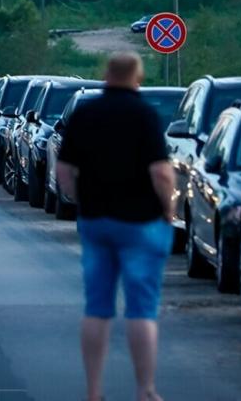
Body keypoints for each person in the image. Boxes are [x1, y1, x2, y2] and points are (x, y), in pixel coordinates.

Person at [56, 52, 174, 401]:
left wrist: (82, 199)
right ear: (138, 78)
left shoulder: (85, 113)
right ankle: (145, 390)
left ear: (106, 75)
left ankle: (94, 392)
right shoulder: (145, 115)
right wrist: (168, 209)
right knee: (141, 308)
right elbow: (161, 172)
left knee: (97, 307)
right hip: (141, 222)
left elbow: (63, 172)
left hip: (96, 220)